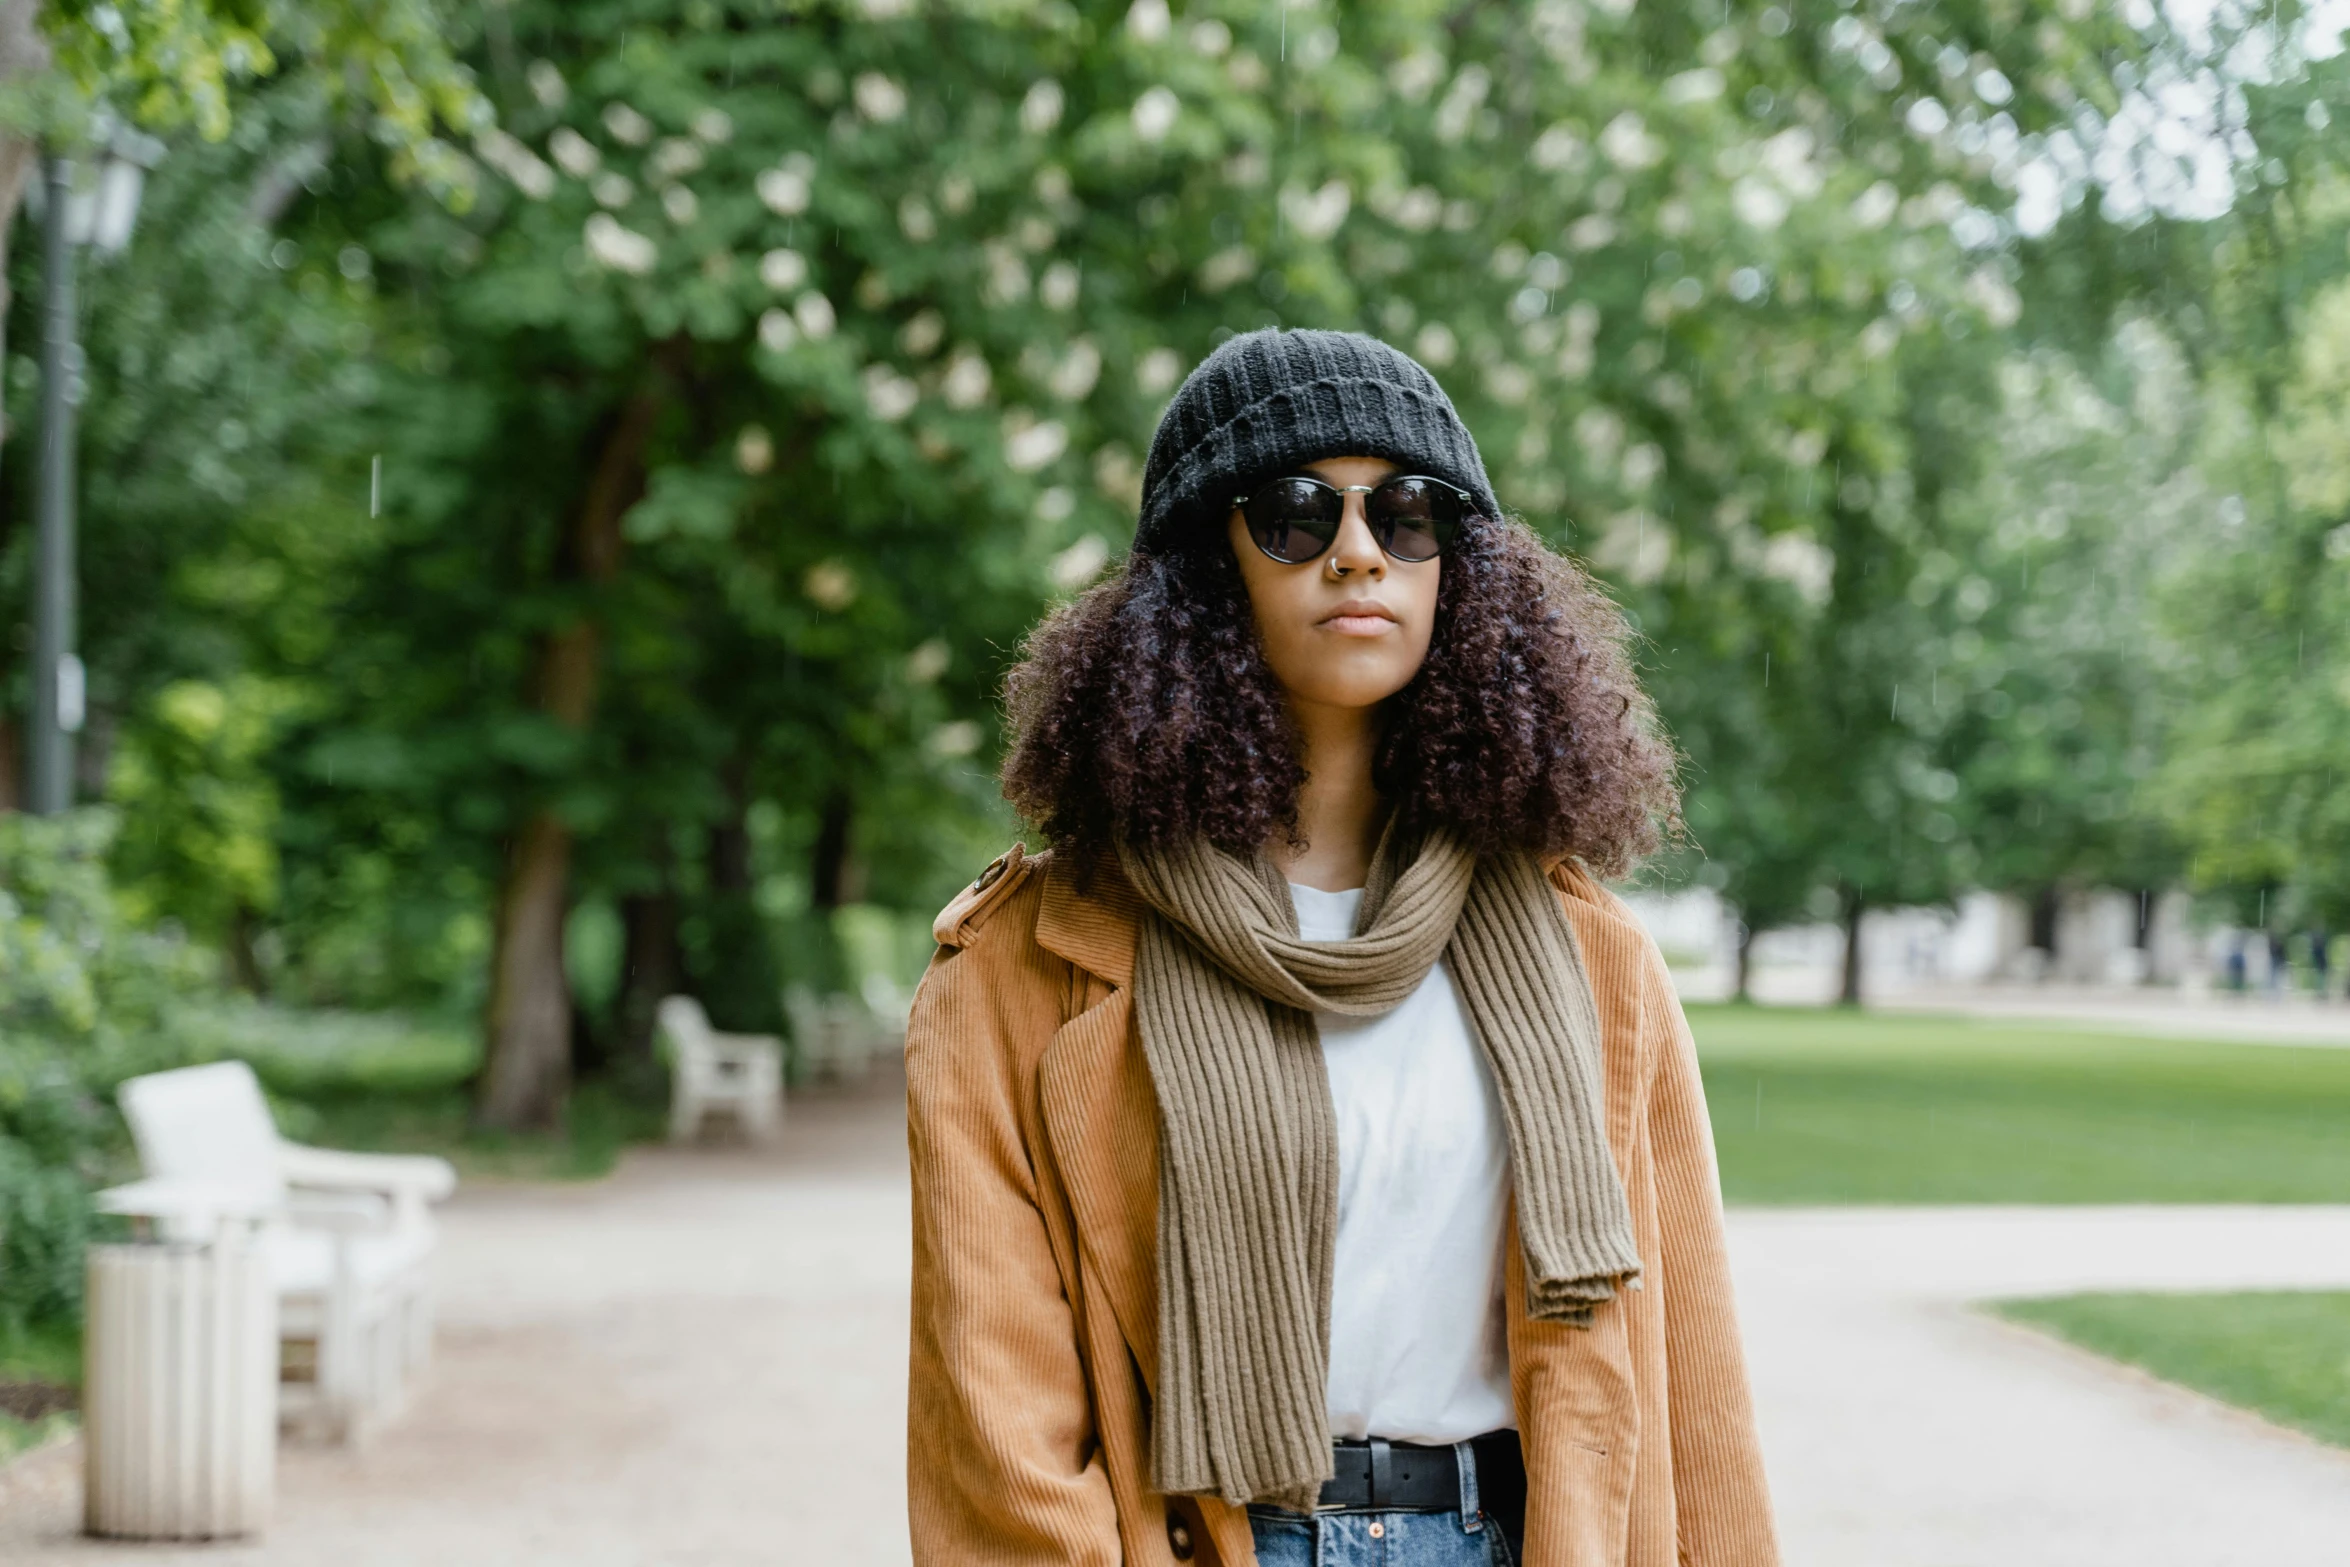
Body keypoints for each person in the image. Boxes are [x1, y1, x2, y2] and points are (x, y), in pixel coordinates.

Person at [905, 329, 1778, 1567]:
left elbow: (1691, 1384)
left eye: (1410, 512)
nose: (1360, 550)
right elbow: (998, 1432)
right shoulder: (1018, 967)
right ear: (1207, 570)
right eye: (1297, 512)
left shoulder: (1591, 957)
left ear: (1456, 570)